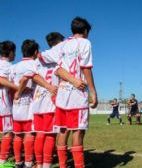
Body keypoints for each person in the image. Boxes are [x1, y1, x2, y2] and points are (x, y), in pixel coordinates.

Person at [39, 17, 98, 168]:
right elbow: (86, 67)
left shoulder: (61, 45)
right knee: (78, 131)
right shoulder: (85, 42)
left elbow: (41, 57)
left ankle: (63, 165)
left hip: (62, 94)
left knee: (63, 131)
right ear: (85, 31)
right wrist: (93, 91)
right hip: (77, 94)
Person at [11, 39, 57, 168]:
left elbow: (12, 84)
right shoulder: (34, 63)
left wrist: (16, 94)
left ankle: (18, 162)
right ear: (36, 52)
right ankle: (30, 163)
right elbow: (28, 78)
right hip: (32, 103)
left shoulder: (14, 66)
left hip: (17, 105)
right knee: (34, 134)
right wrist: (20, 92)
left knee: (18, 136)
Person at [30, 32, 64, 168]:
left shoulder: (39, 58)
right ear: (60, 41)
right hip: (51, 100)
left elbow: (32, 76)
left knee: (39, 134)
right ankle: (46, 165)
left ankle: (39, 164)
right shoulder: (61, 55)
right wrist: (50, 87)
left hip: (37, 100)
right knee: (50, 135)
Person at [0, 41, 19, 167]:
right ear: (11, 52)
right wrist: (17, 87)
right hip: (3, 104)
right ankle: (2, 161)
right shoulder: (7, 66)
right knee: (8, 132)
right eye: (14, 52)